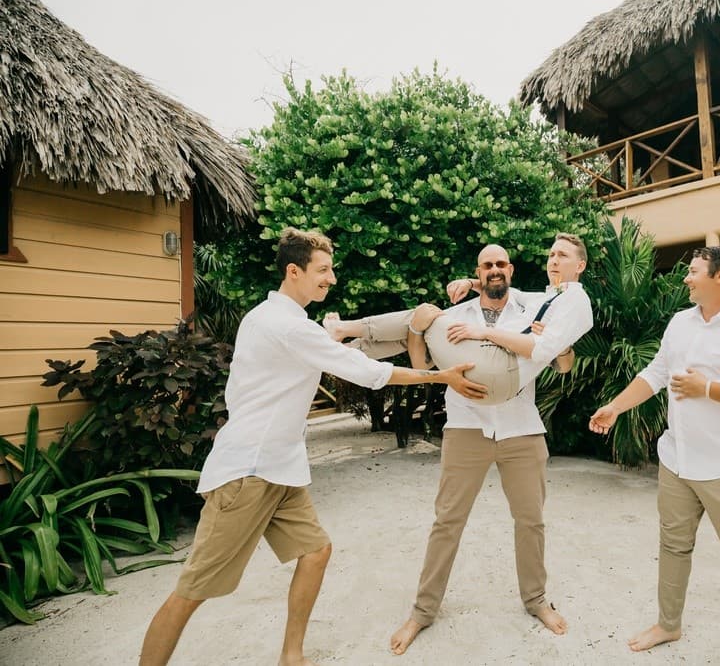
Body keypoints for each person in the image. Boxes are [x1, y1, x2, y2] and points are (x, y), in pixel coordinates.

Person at [138, 228, 487, 666]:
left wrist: (363, 335)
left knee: (316, 552)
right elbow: (366, 371)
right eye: (323, 270)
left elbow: (326, 351)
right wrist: (440, 377)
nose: (331, 278)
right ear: (294, 271)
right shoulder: (287, 326)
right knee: (192, 591)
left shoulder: (272, 319)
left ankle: (292, 656)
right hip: (248, 473)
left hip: (280, 469)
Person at [386, 239, 593, 655]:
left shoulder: (536, 307)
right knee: (447, 521)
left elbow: (564, 365)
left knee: (531, 521)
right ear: (478, 272)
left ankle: (536, 600)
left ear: (510, 270)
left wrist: (563, 346)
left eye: (501, 263)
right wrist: (418, 330)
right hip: (466, 426)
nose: (495, 269)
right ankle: (422, 612)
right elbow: (424, 366)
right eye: (486, 265)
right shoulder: (454, 315)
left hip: (522, 428)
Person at [588, 246, 720, 666]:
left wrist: (709, 389)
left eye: (694, 271)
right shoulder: (680, 323)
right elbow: (656, 373)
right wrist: (616, 406)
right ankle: (668, 624)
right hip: (676, 461)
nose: (685, 278)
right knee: (673, 547)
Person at [327, 233, 592, 405]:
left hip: (501, 375)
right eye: (551, 255)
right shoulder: (545, 298)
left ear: (580, 266)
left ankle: (342, 330)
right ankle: (347, 351)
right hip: (482, 394)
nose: (553, 261)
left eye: (562, 256)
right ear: (479, 272)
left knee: (425, 313)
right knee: (420, 325)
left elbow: (547, 353)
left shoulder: (575, 299)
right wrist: (470, 283)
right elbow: (422, 364)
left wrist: (484, 333)